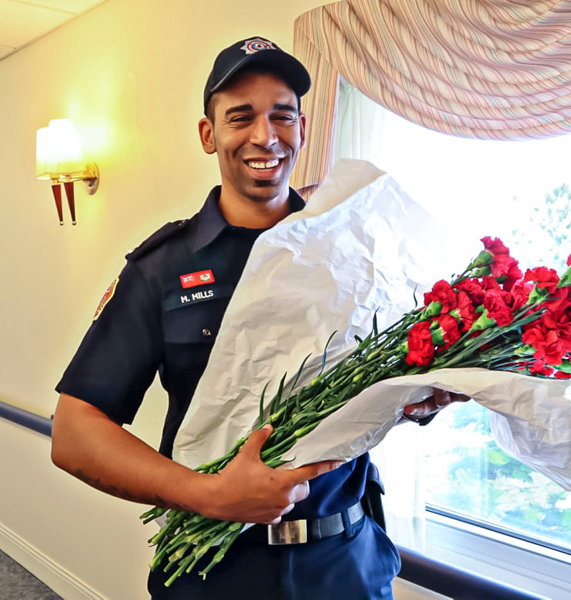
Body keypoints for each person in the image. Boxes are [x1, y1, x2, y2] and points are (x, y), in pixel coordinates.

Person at [51, 36, 467, 599]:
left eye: (282, 116)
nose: (265, 136)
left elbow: (376, 388)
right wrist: (209, 495)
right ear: (209, 134)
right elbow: (74, 433)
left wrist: (420, 398)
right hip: (218, 570)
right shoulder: (162, 268)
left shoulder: (356, 248)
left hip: (346, 564)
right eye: (240, 117)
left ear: (302, 127)